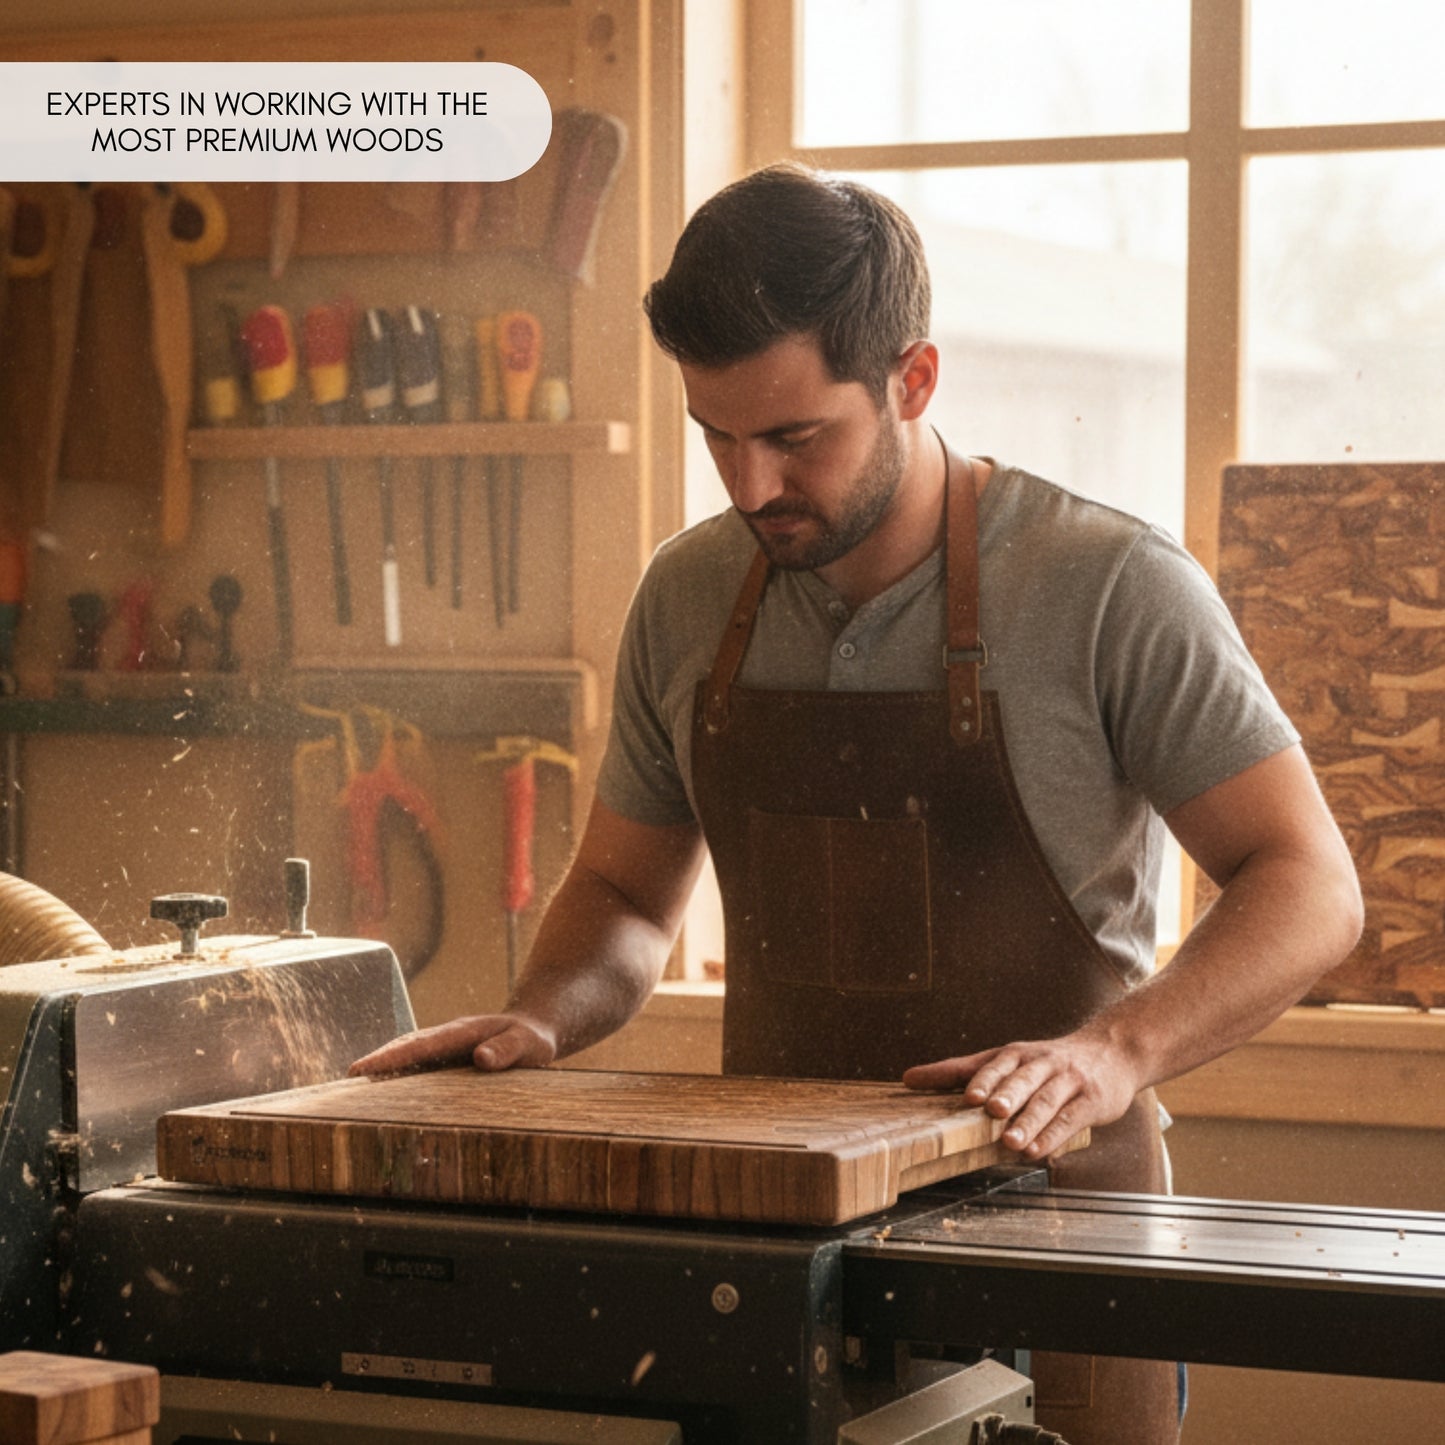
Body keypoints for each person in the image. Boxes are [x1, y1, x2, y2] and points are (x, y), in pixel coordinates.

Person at [352, 164, 1363, 1443]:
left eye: (794, 436)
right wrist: (544, 1020)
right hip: (779, 1255)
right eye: (714, 434)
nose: (748, 484)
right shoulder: (686, 596)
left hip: (1061, 1239)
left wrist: (1114, 1050)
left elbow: (1307, 882)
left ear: (913, 380)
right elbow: (619, 893)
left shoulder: (1108, 585)